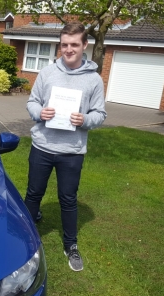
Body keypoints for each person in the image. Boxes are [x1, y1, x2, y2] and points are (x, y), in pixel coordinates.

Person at [24, 21, 107, 272]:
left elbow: (100, 114)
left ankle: (70, 245)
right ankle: (25, 239)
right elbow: (32, 102)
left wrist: (85, 120)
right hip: (42, 146)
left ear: (84, 45)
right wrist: (41, 113)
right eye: (64, 45)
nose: (68, 49)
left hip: (71, 152)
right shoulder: (47, 73)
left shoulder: (94, 80)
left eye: (74, 44)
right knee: (33, 194)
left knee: (68, 199)